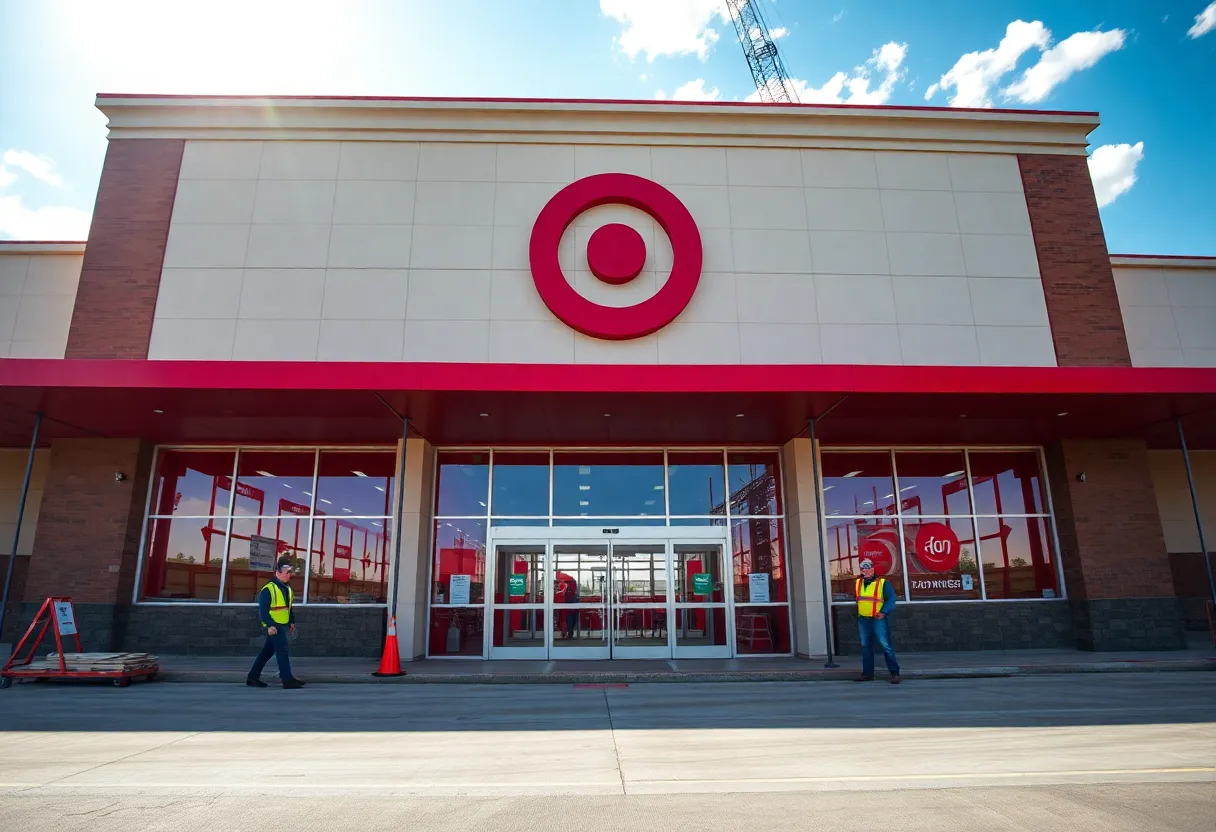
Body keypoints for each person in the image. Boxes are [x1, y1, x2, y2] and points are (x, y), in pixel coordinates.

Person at [247, 557, 306, 689]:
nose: (289, 575)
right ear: (278, 572)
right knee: (282, 651)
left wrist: (291, 622)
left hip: (283, 624)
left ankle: (252, 677)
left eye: (290, 572)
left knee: (267, 652)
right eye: (287, 572)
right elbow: (263, 610)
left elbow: (288, 608)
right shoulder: (269, 589)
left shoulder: (287, 589)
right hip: (274, 626)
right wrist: (269, 625)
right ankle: (287, 679)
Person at [854, 558, 901, 684]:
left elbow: (891, 599)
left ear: (873, 569)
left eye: (867, 568)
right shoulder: (858, 582)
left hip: (877, 618)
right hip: (863, 619)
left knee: (885, 645)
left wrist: (884, 612)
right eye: (863, 568)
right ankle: (867, 674)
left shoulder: (883, 583)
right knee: (865, 646)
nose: (865, 570)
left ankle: (895, 673)